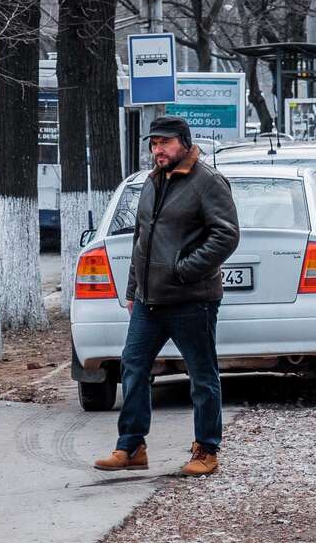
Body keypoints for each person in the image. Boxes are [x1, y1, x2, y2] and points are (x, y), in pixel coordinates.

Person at [94, 115, 240, 477]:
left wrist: (184, 269)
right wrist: (132, 290)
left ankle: (206, 449)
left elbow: (226, 235)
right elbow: (140, 241)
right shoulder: (152, 181)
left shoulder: (208, 182)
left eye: (165, 143)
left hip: (192, 299)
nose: (158, 150)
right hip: (149, 300)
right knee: (133, 367)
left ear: (184, 143)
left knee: (202, 375)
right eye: (154, 144)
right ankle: (131, 446)